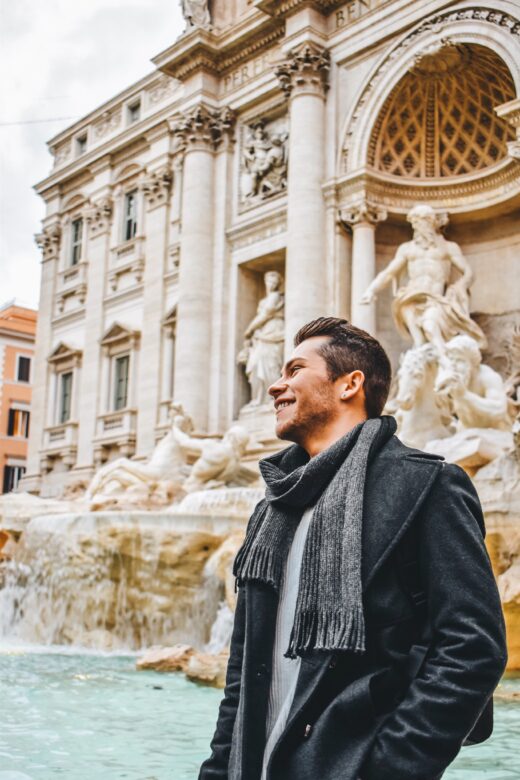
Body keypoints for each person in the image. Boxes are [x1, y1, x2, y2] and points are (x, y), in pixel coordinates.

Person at [199, 317, 507, 780]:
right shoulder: (272, 508)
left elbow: (472, 648)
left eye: (294, 370)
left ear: (350, 384)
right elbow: (243, 674)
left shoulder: (428, 485)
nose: (275, 386)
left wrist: (387, 767)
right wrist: (219, 769)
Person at [360, 205, 486, 351]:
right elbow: (389, 272)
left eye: (421, 222)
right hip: (411, 298)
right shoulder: (407, 249)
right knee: (419, 341)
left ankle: (445, 360)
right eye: (415, 223)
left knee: (430, 326)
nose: (417, 227)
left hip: (435, 299)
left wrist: (460, 286)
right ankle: (423, 360)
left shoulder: (448, 247)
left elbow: (468, 271)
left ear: (431, 222)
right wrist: (371, 290)